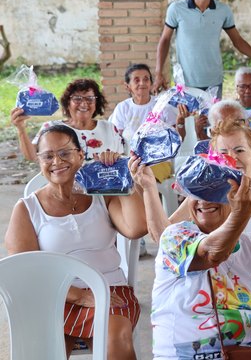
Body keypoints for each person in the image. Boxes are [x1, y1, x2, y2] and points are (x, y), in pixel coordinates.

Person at [4, 124, 147, 359]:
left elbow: (137, 228)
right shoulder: (28, 208)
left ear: (81, 155)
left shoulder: (102, 194)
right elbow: (26, 269)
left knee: (116, 339)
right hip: (56, 294)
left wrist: (122, 176)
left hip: (110, 290)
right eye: (48, 155)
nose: (57, 161)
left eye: (64, 153)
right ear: (39, 162)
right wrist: (79, 296)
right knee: (45, 347)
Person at [139, 160, 251, 359]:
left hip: (248, 353)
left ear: (235, 197)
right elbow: (211, 254)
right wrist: (241, 214)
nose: (204, 201)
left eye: (215, 192)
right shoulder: (174, 236)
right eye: (196, 193)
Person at [154, 0, 251, 94]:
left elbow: (237, 40)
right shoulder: (176, 9)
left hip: (213, 83)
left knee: (212, 115)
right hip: (185, 83)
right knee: (185, 115)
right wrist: (158, 73)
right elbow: (165, 40)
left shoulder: (223, 10)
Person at [11, 78, 125, 163]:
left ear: (97, 103)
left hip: (102, 188)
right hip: (64, 189)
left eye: (90, 98)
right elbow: (32, 157)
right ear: (67, 103)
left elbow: (120, 159)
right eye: (77, 99)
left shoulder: (109, 128)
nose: (84, 103)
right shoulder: (51, 128)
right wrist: (21, 128)